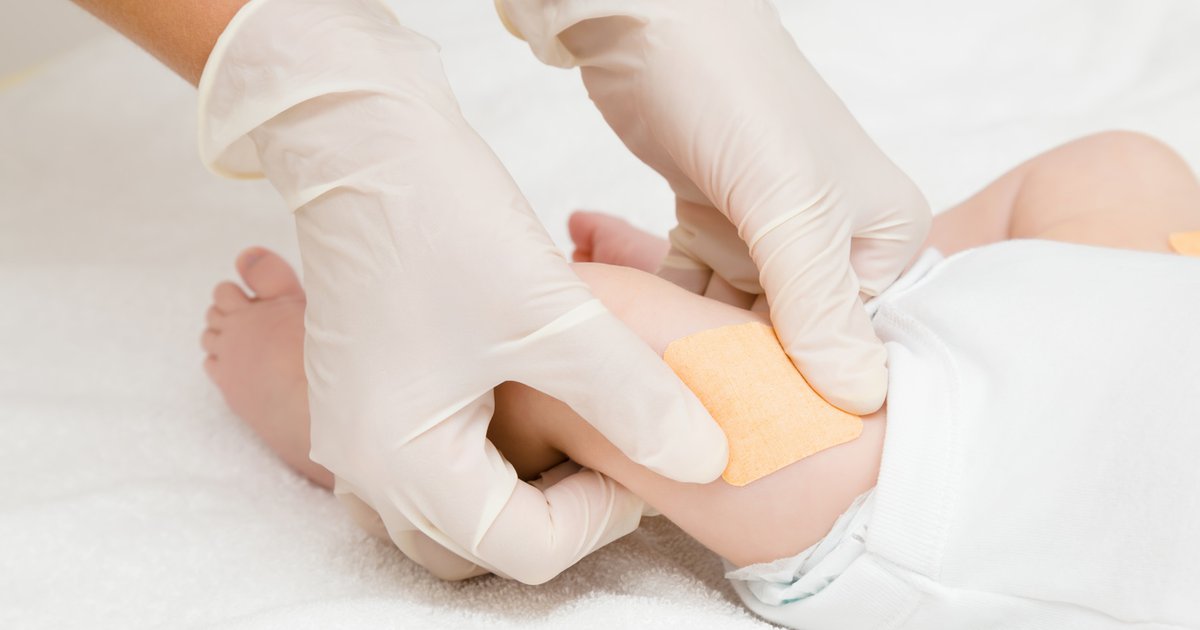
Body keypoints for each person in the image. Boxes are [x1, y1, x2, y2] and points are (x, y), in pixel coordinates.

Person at [70, 0, 930, 583]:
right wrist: (316, 91)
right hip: (1034, 344)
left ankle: (328, 395)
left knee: (654, 359)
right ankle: (393, 356)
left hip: (979, 475)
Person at [203, 130, 1200, 627]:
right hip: (1129, 316)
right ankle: (796, 315)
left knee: (588, 333)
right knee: (1123, 169)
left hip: (943, 477)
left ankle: (332, 402)